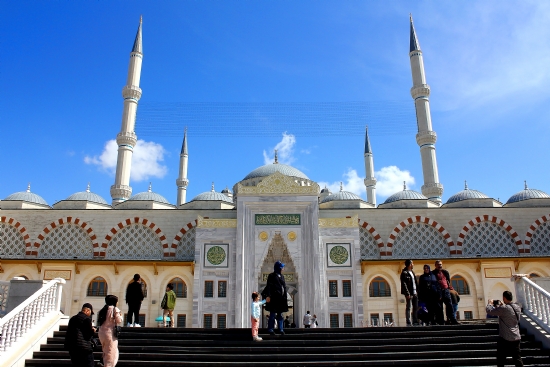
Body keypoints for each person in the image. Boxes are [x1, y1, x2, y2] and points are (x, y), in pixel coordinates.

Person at [486, 291, 523, 367]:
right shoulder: (517, 307)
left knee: (501, 359)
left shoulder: (504, 308)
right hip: (516, 336)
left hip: (505, 338)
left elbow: (489, 311)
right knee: (517, 359)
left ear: (504, 298)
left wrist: (489, 303)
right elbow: (509, 313)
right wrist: (501, 306)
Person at [64, 303, 96, 367]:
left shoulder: (72, 318)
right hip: (84, 348)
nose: (90, 315)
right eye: (90, 313)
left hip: (72, 347)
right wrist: (93, 330)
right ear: (87, 311)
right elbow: (88, 334)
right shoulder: (86, 319)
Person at [261, 260, 288, 335]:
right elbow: (269, 286)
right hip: (273, 299)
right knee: (272, 315)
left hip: (280, 299)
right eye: (282, 267)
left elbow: (283, 287)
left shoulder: (282, 276)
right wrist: (268, 296)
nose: (283, 269)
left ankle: (281, 329)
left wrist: (284, 297)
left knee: (280, 315)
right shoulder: (271, 276)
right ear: (279, 268)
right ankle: (270, 329)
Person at [97, 295, 123, 367]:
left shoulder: (103, 310)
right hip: (110, 333)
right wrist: (121, 316)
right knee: (111, 353)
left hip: (101, 333)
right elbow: (119, 320)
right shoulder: (115, 309)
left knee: (105, 351)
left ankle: (103, 362)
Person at [432, 260, 459, 325]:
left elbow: (448, 280)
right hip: (438, 292)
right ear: (435, 265)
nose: (439, 266)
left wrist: (448, 288)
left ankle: (452, 319)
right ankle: (441, 321)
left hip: (446, 290)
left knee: (450, 306)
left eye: (440, 264)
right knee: (439, 308)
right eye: (438, 264)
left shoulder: (445, 272)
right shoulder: (432, 273)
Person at [400, 259, 418, 326]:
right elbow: (403, 284)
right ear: (409, 264)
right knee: (409, 307)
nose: (413, 265)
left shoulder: (412, 272)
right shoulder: (404, 273)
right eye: (412, 263)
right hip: (409, 293)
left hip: (415, 292)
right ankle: (408, 321)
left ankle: (415, 321)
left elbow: (415, 283)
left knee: (415, 307)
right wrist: (407, 293)